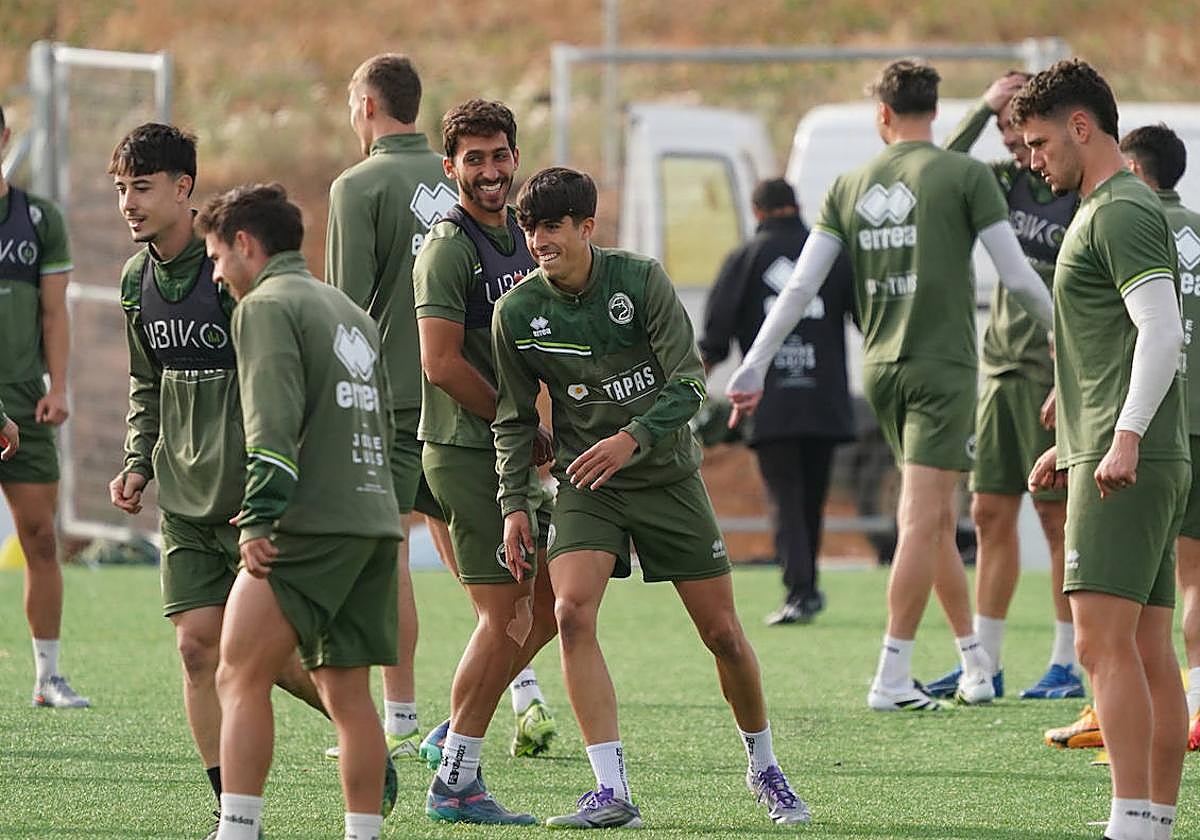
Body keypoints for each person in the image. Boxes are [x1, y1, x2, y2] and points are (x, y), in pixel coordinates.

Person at [726, 60, 1054, 712]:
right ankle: (892, 675)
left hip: (879, 370)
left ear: (883, 114)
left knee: (932, 520)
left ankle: (974, 661)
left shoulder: (849, 184)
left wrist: (755, 363)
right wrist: (1064, 337)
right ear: (933, 109)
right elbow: (1017, 276)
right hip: (941, 369)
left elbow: (800, 286)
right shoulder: (963, 175)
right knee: (921, 519)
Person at [495, 166, 811, 828]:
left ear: (587, 226)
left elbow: (691, 383)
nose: (539, 240)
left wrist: (631, 438)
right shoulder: (517, 312)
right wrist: (514, 503)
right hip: (588, 485)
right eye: (529, 229)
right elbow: (513, 419)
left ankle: (764, 767)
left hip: (667, 477)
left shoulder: (639, 281)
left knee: (723, 634)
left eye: (552, 226)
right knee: (571, 614)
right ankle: (610, 791)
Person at [107, 124, 330, 839]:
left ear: (183, 188)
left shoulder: (230, 272)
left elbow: (284, 377)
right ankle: (233, 814)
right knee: (197, 649)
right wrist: (138, 459)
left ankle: (360, 726)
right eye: (121, 189)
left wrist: (281, 482)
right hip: (183, 494)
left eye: (142, 187)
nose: (129, 203)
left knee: (265, 655)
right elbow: (146, 383)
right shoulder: (135, 281)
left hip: (249, 500)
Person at [196, 183, 402, 840]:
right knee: (348, 694)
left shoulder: (265, 307)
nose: (216, 274)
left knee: (238, 672)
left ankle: (237, 830)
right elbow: (382, 424)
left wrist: (260, 516)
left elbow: (272, 428)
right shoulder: (350, 312)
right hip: (374, 519)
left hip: (308, 524)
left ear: (245, 244)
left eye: (217, 257)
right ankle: (363, 834)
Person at [1016, 60, 1189, 840]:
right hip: (1125, 453)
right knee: (1148, 647)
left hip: (1129, 461)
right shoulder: (1109, 207)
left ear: (1081, 127)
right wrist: (1072, 443)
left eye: (1040, 142)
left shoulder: (1119, 210)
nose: (1033, 159)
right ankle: (1152, 821)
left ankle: (1130, 822)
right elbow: (1112, 349)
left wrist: (1121, 438)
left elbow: (1162, 331)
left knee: (1100, 643)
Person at [325, 51, 482, 762]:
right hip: (465, 391)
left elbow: (346, 310)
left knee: (386, 552)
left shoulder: (357, 185)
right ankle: (523, 691)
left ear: (367, 106)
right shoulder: (458, 176)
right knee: (472, 548)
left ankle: (400, 719)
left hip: (390, 401)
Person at [412, 99, 558, 825]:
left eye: (499, 155)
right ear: (451, 168)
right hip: (467, 452)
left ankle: (454, 733)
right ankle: (455, 782)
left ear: (515, 157)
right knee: (504, 615)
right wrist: (518, 421)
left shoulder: (517, 238)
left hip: (508, 449)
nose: (491, 171)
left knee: (550, 608)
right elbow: (439, 363)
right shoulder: (448, 247)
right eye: (474, 159)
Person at [922, 71, 1082, 701]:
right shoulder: (1001, 181)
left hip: (1051, 374)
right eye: (1005, 130)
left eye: (1020, 131)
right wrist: (981, 107)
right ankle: (983, 661)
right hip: (998, 370)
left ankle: (1067, 661)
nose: (1014, 144)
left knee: (1055, 518)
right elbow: (935, 172)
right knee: (987, 514)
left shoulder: (1074, 188)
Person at [699, 177, 855, 625]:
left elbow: (715, 337)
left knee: (785, 498)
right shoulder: (832, 254)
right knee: (812, 498)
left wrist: (691, 383)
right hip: (825, 398)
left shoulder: (745, 258)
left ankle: (800, 591)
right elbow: (866, 314)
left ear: (757, 211)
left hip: (771, 401)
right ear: (796, 206)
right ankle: (808, 585)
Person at [0, 104, 85, 709]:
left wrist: (58, 387)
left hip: (25, 404)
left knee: (39, 537)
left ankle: (47, 677)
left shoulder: (38, 219)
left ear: (4, 138)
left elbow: (54, 313)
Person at [1121, 124, 1200, 753]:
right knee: (1194, 574)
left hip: (1147, 424)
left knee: (1132, 584)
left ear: (1134, 170)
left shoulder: (1125, 226)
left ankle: (1125, 710)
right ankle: (1194, 707)